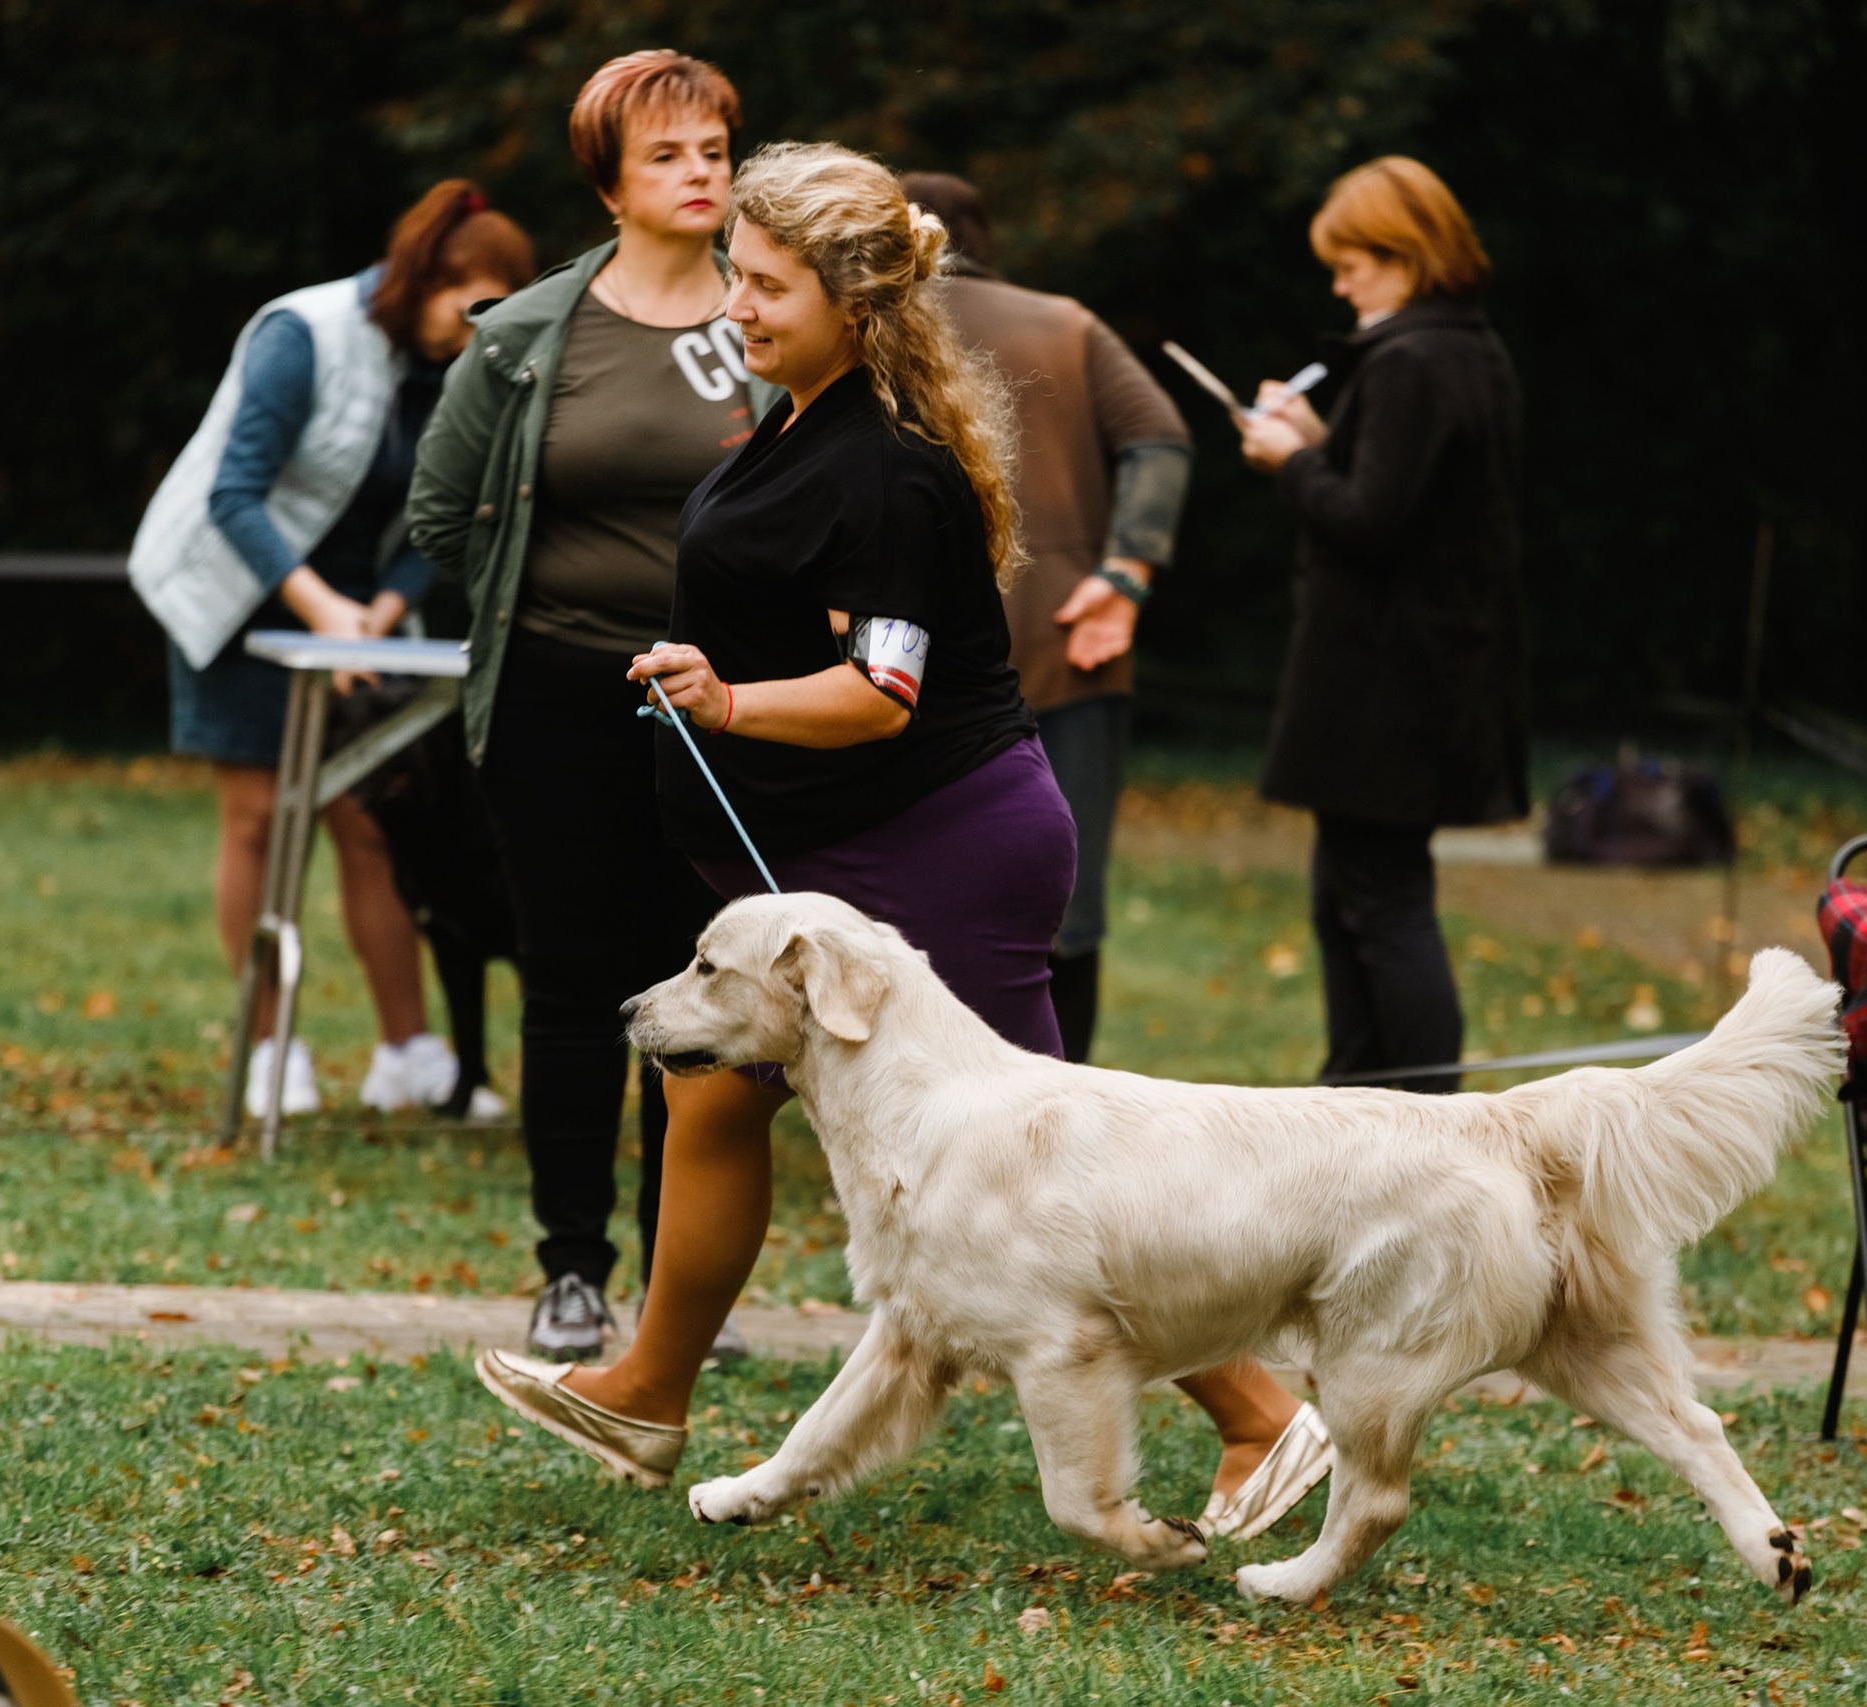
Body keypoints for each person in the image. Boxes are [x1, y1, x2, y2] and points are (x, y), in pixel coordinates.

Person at [474, 142, 1329, 1540]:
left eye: (766, 285)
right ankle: (646, 1389)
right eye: (736, 275)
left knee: (1043, 1178)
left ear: (853, 304)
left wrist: (725, 698)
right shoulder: (806, 416)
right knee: (714, 1098)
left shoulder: (882, 464)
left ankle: (1263, 1416)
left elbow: (881, 690)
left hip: (937, 851)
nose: (735, 306)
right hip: (837, 852)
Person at [408, 52, 775, 1360]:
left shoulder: (774, 319)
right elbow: (440, 514)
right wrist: (562, 606)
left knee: (711, 990)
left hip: (727, 707)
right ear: (608, 183)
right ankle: (572, 1270)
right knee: (572, 982)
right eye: (667, 154)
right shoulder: (523, 337)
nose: (700, 173)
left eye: (714, 150)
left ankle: (685, 1287)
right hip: (558, 699)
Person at [130, 180, 535, 1119]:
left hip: (359, 611)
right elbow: (235, 493)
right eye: (469, 312)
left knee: (375, 821)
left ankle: (408, 1054)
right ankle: (272, 1049)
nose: (477, 337)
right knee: (260, 819)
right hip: (242, 594)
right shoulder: (301, 334)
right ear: (424, 277)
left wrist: (381, 610)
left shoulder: (460, 367)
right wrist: (321, 610)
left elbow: (452, 510)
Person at [1237, 155, 1527, 1092]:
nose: (1339, 283)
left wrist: (1288, 460)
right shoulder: (1463, 349)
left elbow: (1370, 520)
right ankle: (1353, 1099)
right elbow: (1404, 495)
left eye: (1351, 263)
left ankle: (1426, 1110)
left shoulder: (1412, 360)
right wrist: (1318, 441)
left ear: (1406, 254)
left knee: (1384, 901)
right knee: (1348, 897)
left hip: (1387, 685)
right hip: (1422, 670)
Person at [898, 170, 1193, 1064]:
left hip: (910, 658)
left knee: (924, 889)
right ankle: (1070, 1085)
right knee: (1070, 903)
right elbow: (1161, 435)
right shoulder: (1068, 324)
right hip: (1071, 644)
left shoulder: (872, 325)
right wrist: (1125, 571)